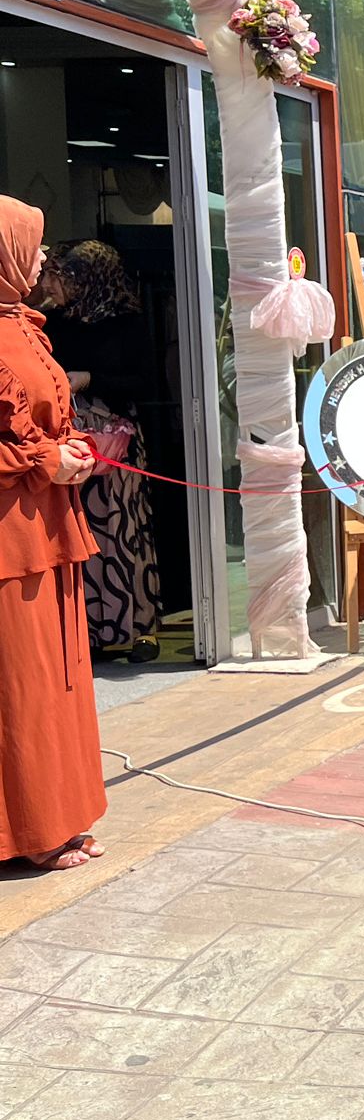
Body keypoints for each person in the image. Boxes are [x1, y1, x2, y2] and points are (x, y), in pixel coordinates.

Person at [0, 196, 108, 872]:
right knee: (23, 682)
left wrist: (69, 449)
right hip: (12, 534)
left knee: (60, 677)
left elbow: (40, 419)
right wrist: (46, 460)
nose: (43, 257)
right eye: (31, 245)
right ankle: (29, 830)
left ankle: (59, 815)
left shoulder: (21, 324)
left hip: (46, 520)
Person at [38, 240, 164, 661]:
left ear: (86, 280)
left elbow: (145, 384)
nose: (49, 283)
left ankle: (141, 628)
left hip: (117, 442)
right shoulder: (49, 321)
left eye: (59, 276)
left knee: (125, 529)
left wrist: (90, 377)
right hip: (71, 441)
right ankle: (91, 632)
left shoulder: (125, 323)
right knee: (81, 532)